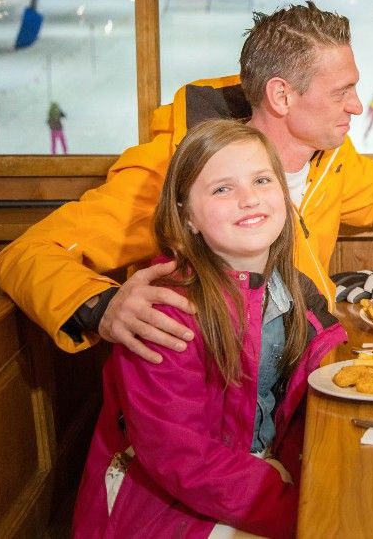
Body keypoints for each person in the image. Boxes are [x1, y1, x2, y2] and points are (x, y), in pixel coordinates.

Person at [0, 1, 373, 363]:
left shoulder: (328, 158)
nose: (357, 106)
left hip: (306, 363)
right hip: (218, 400)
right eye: (343, 92)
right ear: (282, 97)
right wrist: (100, 307)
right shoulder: (178, 172)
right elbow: (28, 252)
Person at [73, 119, 344, 537]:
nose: (249, 199)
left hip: (257, 477)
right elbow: (177, 456)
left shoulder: (295, 292)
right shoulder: (165, 308)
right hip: (164, 505)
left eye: (261, 180)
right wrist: (299, 506)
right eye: (222, 189)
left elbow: (310, 403)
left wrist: (302, 478)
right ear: (188, 217)